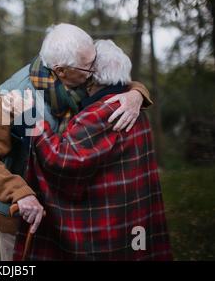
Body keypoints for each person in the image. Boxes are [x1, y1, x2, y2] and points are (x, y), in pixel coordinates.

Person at [0, 24, 152, 261]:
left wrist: (136, 93)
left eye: (94, 59)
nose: (94, 69)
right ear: (60, 70)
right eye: (89, 66)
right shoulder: (12, 98)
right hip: (21, 216)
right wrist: (19, 193)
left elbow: (113, 79)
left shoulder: (78, 74)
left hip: (61, 212)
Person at [12, 39, 172, 260]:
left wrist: (32, 122)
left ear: (92, 77)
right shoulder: (136, 110)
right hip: (132, 220)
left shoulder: (98, 114)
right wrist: (137, 92)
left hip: (106, 226)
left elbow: (62, 161)